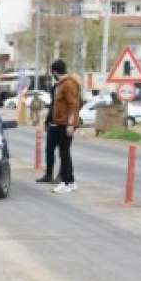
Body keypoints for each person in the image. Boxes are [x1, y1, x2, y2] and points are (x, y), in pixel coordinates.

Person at [47, 59, 81, 193]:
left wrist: (70, 124)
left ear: (55, 72)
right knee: (65, 153)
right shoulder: (64, 84)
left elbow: (73, 105)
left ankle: (66, 183)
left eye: (52, 73)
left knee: (64, 154)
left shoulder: (67, 85)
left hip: (65, 124)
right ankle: (71, 182)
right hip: (61, 123)